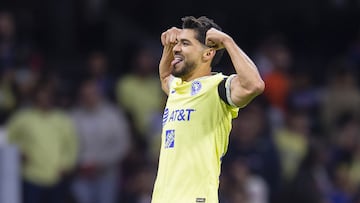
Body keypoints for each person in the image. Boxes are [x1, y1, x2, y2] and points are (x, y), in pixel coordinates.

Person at [151, 16, 264, 203]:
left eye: (185, 43)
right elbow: (164, 76)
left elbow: (254, 85)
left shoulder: (217, 87)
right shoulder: (178, 88)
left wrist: (227, 41)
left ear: (207, 54)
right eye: (178, 43)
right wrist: (169, 48)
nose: (178, 48)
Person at [6, 78, 78, 203]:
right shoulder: (22, 118)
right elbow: (7, 139)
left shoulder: (62, 119)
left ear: (52, 99)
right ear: (35, 99)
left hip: (56, 175)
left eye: (47, 98)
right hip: (30, 176)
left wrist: (67, 164)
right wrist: (18, 152)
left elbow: (72, 145)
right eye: (41, 98)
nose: (44, 101)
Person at [70, 78, 131, 203]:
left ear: (99, 94)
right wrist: (81, 163)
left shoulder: (113, 115)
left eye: (92, 94)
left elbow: (123, 144)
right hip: (81, 173)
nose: (89, 98)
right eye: (85, 95)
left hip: (107, 172)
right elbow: (68, 145)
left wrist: (101, 163)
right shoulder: (73, 117)